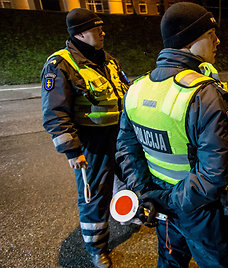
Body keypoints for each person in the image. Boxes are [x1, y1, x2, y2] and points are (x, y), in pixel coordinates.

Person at [115, 2, 228, 267]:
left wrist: (147, 195)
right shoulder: (205, 95)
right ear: (190, 41)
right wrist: (167, 200)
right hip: (200, 212)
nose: (217, 41)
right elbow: (213, 174)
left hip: (160, 206)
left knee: (171, 263)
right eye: (211, 35)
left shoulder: (136, 90)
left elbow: (127, 150)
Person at [41, 8, 129, 268]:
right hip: (91, 143)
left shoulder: (107, 60)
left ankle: (131, 212)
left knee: (133, 177)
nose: (103, 32)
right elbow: (54, 111)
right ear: (79, 33)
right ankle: (97, 247)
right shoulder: (60, 64)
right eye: (97, 28)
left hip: (118, 136)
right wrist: (72, 150)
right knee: (94, 196)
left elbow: (126, 89)